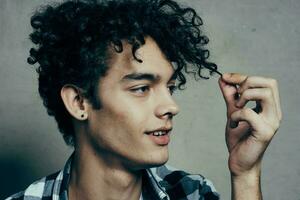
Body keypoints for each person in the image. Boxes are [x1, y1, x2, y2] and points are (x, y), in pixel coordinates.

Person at [6, 0, 282, 199]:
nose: (171, 107)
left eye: (170, 87)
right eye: (141, 88)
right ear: (79, 102)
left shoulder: (192, 194)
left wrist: (245, 174)